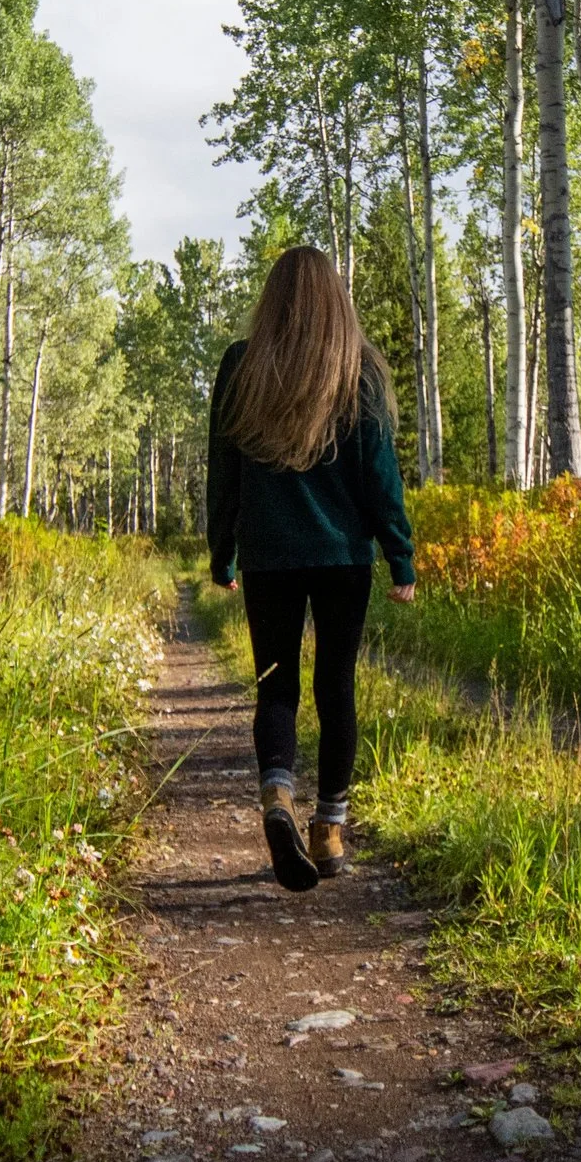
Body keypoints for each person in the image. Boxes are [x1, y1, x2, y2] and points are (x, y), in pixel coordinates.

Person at [206, 246, 416, 892]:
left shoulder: (242, 365)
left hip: (270, 556)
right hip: (342, 557)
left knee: (276, 685)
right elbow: (381, 478)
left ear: (272, 299)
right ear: (336, 299)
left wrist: (224, 551)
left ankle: (276, 796)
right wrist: (399, 554)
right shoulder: (359, 371)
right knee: (336, 686)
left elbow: (223, 472)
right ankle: (329, 828)